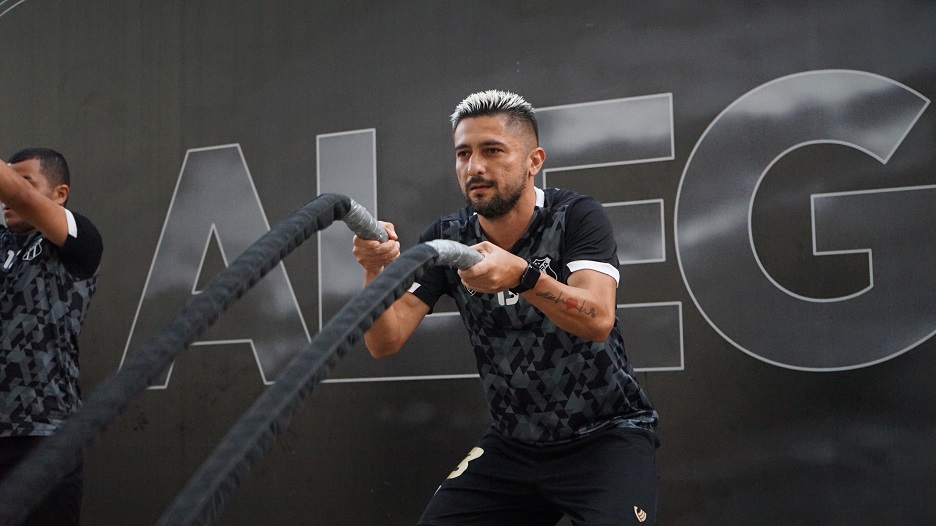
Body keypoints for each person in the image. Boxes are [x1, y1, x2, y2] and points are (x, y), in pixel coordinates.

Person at [353, 90, 659, 525]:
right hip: (514, 446)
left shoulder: (576, 215)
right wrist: (376, 272)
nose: (474, 167)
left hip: (607, 438)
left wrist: (522, 276)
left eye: (492, 151)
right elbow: (385, 341)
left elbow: (598, 319)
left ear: (534, 161)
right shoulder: (447, 236)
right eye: (463, 153)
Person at [0, 148, 103, 525]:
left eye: (24, 181)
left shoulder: (79, 240)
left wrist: (17, 191)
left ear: (60, 194)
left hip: (45, 435)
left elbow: (22, 199)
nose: (8, 196)